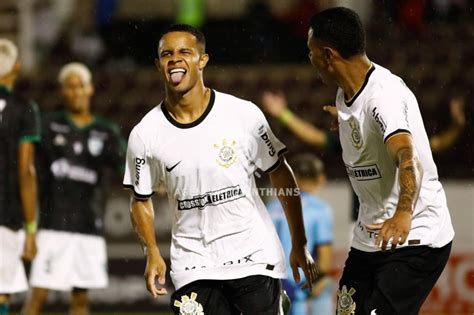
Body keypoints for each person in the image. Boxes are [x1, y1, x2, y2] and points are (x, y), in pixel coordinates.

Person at [123, 24, 317, 314]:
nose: (175, 59)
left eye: (184, 52)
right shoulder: (145, 134)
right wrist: (151, 251)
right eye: (167, 54)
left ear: (202, 61)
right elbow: (140, 200)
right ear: (158, 64)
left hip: (253, 257)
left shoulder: (243, 114)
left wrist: (299, 243)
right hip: (193, 264)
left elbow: (279, 171)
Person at [305, 7, 454, 314]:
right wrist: (348, 122)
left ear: (329, 55)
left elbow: (406, 154)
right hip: (370, 237)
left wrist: (403, 212)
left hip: (415, 236)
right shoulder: (345, 92)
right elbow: (364, 120)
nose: (310, 59)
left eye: (312, 52)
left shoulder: (383, 96)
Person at [22, 62, 126, 315]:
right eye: (70, 87)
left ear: (90, 89)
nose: (76, 92)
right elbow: (25, 167)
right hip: (53, 225)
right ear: (62, 92)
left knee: (80, 300)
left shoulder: (106, 131)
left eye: (81, 86)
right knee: (38, 296)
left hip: (90, 226)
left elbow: (129, 171)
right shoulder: (46, 126)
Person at [0, 38, 40, 315]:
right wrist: (30, 230)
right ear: (16, 67)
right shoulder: (24, 108)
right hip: (6, 214)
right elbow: (26, 171)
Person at [267, 154, 334, 315]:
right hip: (299, 286)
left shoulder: (272, 206)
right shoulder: (320, 209)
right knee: (326, 285)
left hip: (272, 282)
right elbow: (324, 262)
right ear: (321, 179)